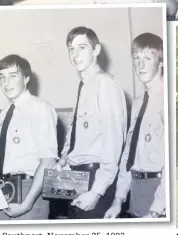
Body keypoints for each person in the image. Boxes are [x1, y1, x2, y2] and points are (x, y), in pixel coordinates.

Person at [54, 26, 128, 219]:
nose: (75, 54)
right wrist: (63, 161)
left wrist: (97, 192)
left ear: (96, 50)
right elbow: (78, 138)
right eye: (71, 48)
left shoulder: (106, 85)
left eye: (82, 47)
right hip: (77, 179)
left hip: (96, 181)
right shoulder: (84, 87)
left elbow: (113, 147)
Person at [0, 54, 58, 220]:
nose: (6, 83)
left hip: (30, 190)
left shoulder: (41, 109)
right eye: (2, 77)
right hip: (4, 189)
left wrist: (26, 204)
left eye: (13, 76)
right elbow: (4, 158)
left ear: (27, 78)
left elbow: (48, 161)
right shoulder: (5, 113)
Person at [104, 33, 165, 219]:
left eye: (147, 58)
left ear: (161, 62)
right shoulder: (138, 103)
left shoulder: (168, 100)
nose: (140, 65)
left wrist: (156, 210)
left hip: (159, 193)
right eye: (136, 59)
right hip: (136, 193)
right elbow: (129, 156)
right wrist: (118, 199)